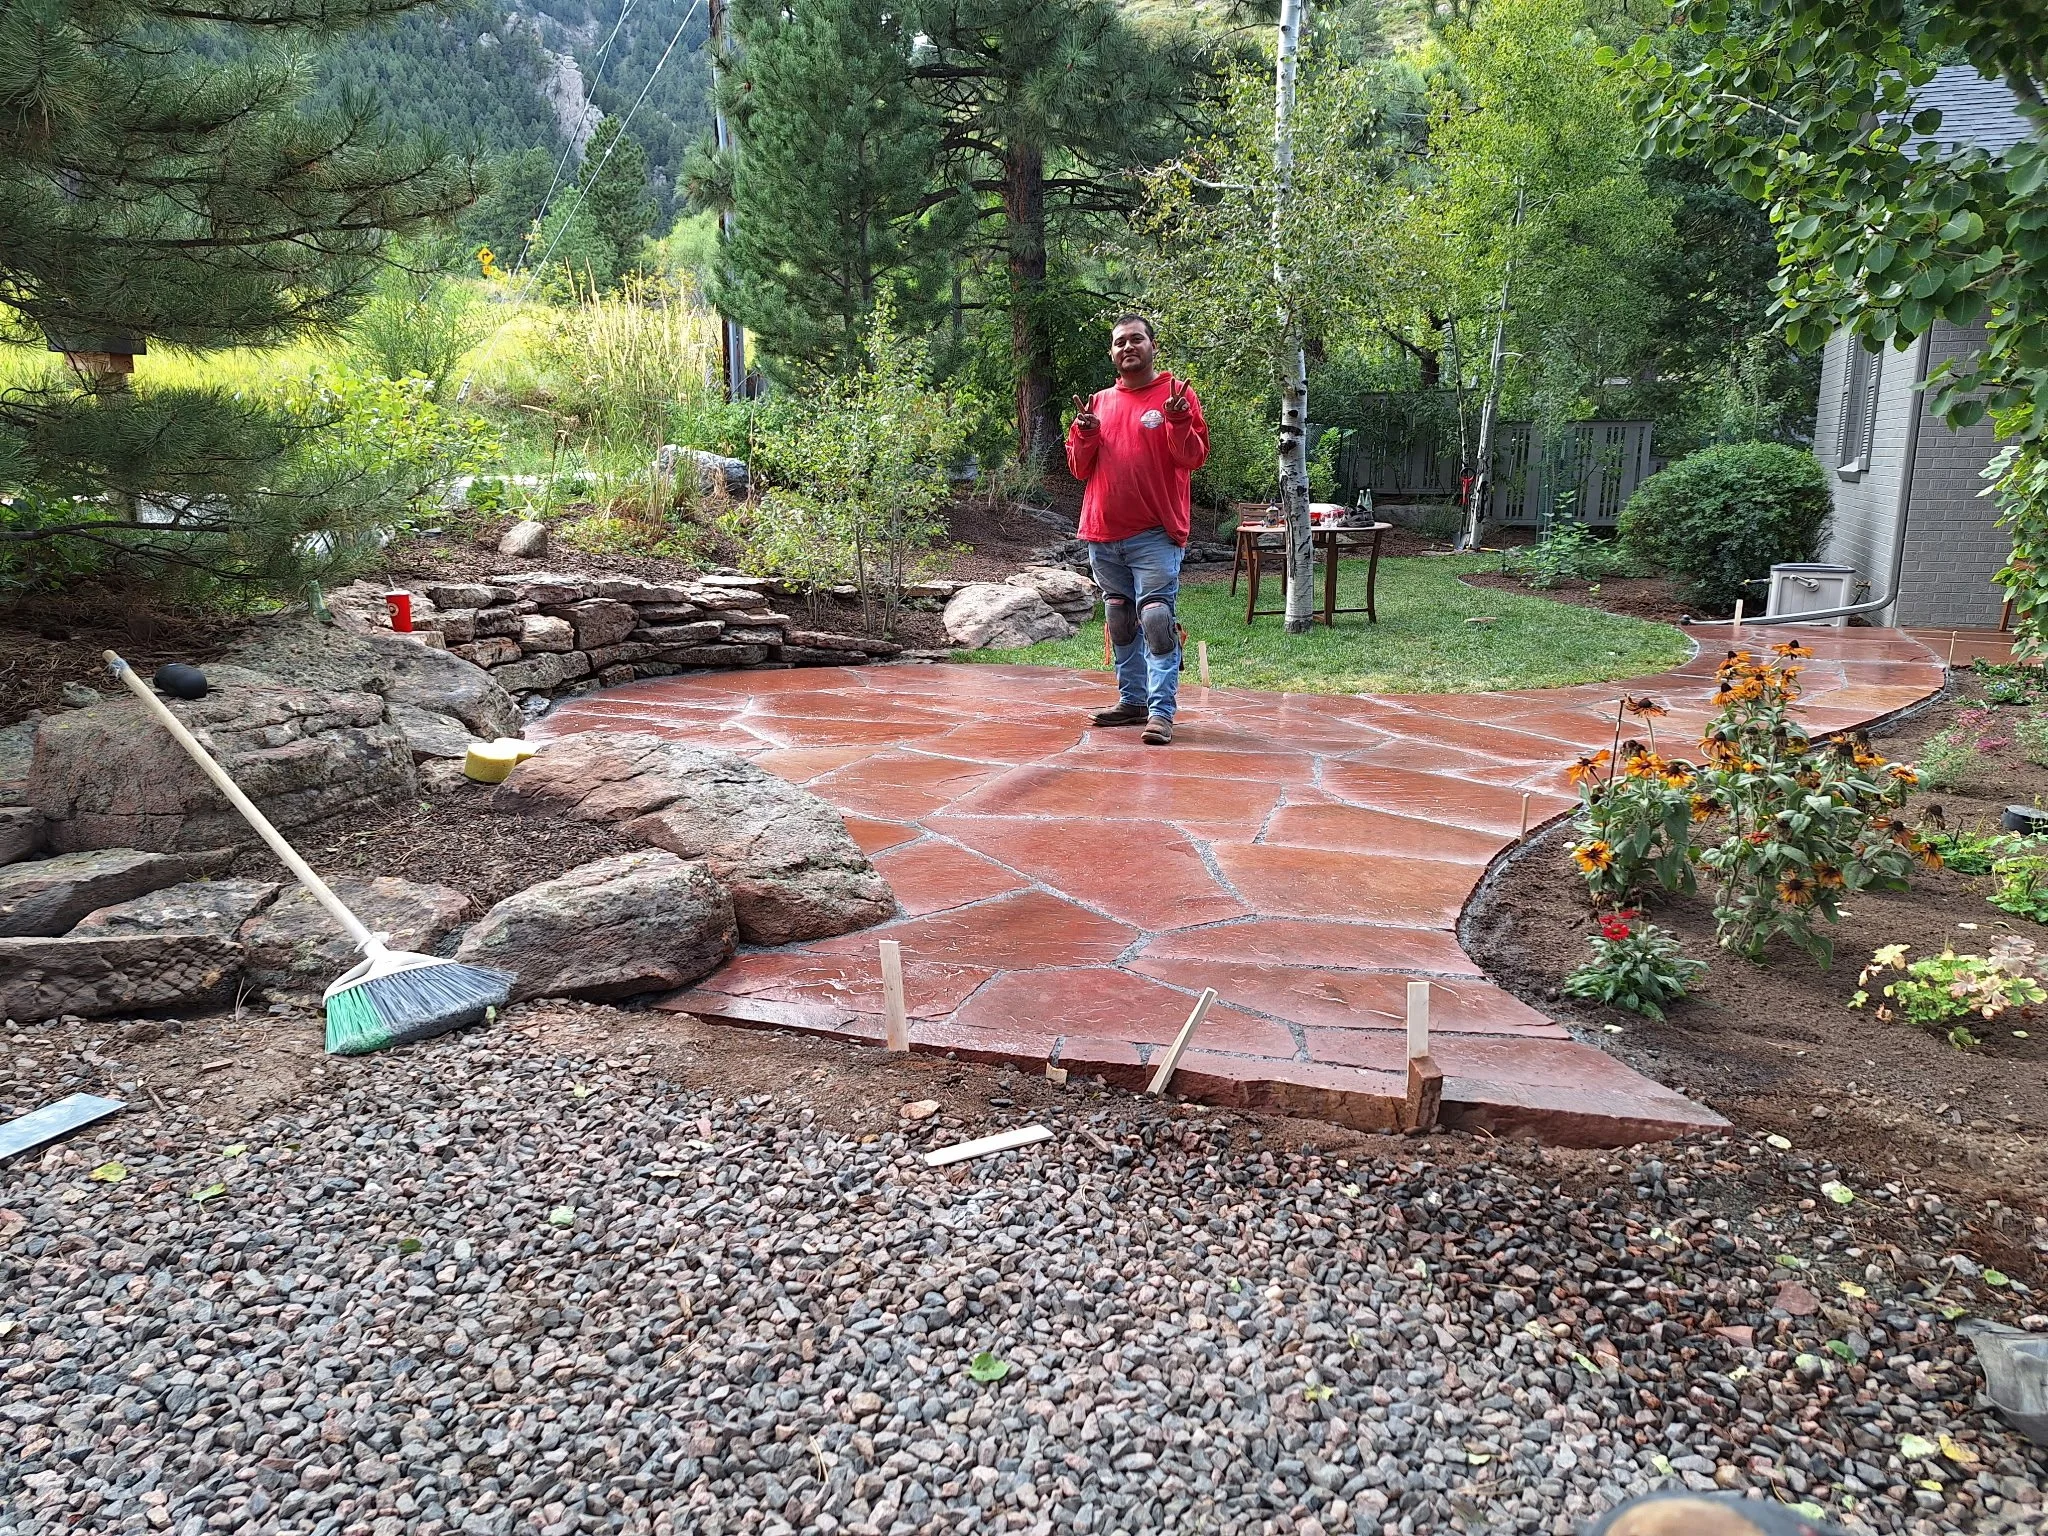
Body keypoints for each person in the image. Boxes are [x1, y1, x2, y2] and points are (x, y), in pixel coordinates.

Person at [1064, 313, 1209, 746]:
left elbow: (1194, 458)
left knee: (1157, 617)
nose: (1128, 347)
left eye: (1136, 339)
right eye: (1119, 342)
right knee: (1120, 617)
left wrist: (1178, 421)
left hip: (1154, 533)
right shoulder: (1098, 403)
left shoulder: (1176, 396)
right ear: (1112, 352)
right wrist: (1085, 434)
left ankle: (1161, 712)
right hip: (1103, 532)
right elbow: (1078, 468)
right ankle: (1133, 702)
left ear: (1152, 345)